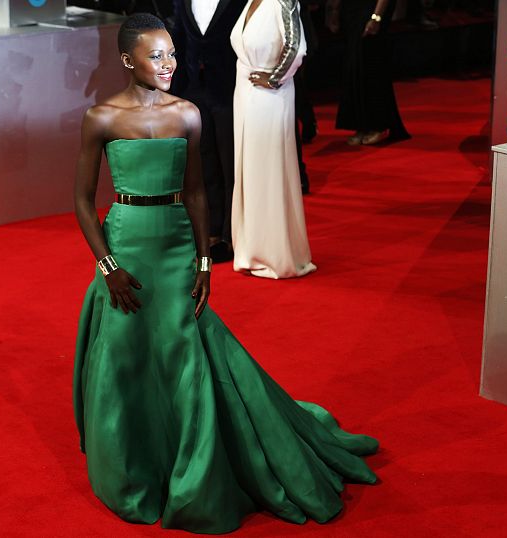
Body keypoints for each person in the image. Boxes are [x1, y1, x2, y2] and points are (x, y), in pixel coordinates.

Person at [72, 13, 378, 534]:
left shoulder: (187, 114)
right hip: (125, 245)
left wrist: (206, 259)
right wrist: (108, 265)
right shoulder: (101, 118)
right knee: (125, 358)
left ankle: (193, 473)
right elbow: (81, 200)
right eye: (156, 55)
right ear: (128, 60)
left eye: (171, 53)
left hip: (173, 247)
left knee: (184, 356)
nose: (169, 64)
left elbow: (195, 192)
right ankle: (132, 472)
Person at [229, 0, 318, 279]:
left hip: (269, 96)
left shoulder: (284, 1)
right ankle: (250, 250)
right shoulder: (249, 2)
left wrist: (276, 78)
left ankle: (276, 254)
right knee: (250, 172)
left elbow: (297, 47)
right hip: (245, 92)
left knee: (268, 172)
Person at [170, 0, 247, 262]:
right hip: (195, 90)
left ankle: (232, 234)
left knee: (231, 163)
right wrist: (175, 92)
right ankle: (212, 231)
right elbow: (179, 40)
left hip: (230, 88)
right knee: (204, 164)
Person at [327, 0, 410, 145]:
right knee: (354, 64)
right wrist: (334, 11)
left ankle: (379, 125)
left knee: (371, 63)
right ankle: (362, 126)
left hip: (373, 8)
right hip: (352, 9)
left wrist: (376, 17)